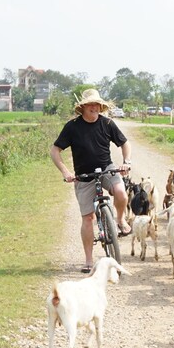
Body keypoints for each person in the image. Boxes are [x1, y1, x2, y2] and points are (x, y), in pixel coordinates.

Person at [49, 88, 132, 273]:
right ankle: (88, 259)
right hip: (83, 175)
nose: (94, 107)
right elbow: (55, 151)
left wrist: (126, 162)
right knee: (88, 218)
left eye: (97, 104)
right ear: (84, 107)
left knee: (121, 192)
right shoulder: (72, 126)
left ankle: (119, 220)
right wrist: (65, 172)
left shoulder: (108, 123)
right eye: (91, 104)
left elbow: (124, 143)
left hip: (107, 169)